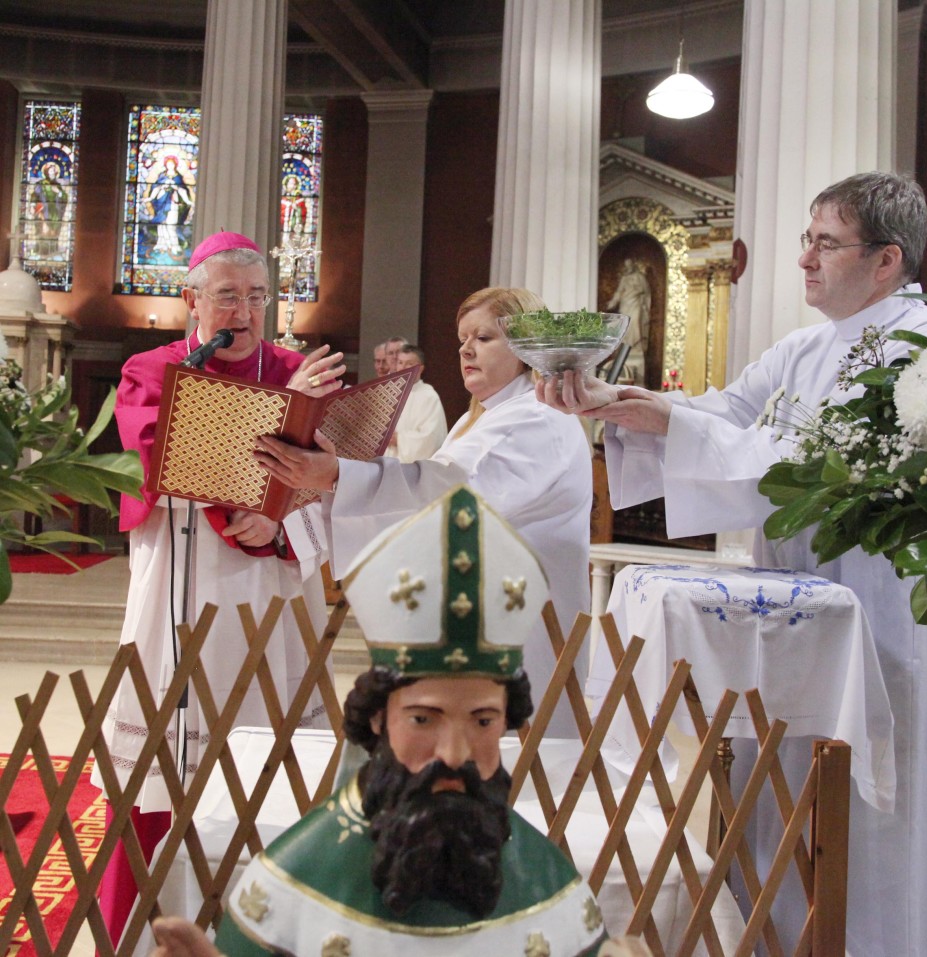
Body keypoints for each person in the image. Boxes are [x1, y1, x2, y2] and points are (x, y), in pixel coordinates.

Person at [537, 171, 927, 957]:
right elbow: (724, 416)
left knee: (873, 807)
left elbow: (817, 459)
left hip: (885, 613)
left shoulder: (926, 349)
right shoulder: (802, 347)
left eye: (826, 242)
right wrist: (616, 403)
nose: (804, 258)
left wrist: (669, 417)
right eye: (806, 239)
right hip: (795, 596)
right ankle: (770, 939)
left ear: (887, 260)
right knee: (779, 781)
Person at [154, 486, 609, 956]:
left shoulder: (554, 896)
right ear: (378, 720)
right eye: (423, 719)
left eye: (483, 722)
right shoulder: (289, 893)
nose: (454, 753)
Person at [95, 231, 347, 945]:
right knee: (157, 779)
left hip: (273, 595)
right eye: (229, 294)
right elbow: (163, 462)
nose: (245, 309)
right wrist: (276, 429)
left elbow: (340, 488)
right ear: (192, 300)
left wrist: (284, 521)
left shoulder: (296, 369)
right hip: (180, 592)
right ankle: (144, 939)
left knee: (274, 780)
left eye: (258, 296)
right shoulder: (153, 368)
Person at [254, 287, 593, 734]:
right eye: (461, 340)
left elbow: (453, 491)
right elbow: (425, 499)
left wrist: (339, 476)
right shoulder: (484, 417)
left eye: (484, 338)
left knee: (515, 765)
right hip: (479, 614)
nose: (466, 350)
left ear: (526, 347)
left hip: (520, 620)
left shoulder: (537, 417)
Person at [384, 344, 448, 462]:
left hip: (410, 468)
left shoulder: (429, 396)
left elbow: (432, 439)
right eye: (400, 363)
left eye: (409, 363)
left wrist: (399, 439)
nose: (403, 368)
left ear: (420, 368)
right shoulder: (389, 392)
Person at [605, 258, 651, 385]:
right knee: (625, 327)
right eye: (626, 265)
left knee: (635, 325)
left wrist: (641, 297)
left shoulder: (640, 277)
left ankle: (635, 347)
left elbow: (646, 292)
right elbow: (619, 293)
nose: (628, 267)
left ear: (633, 266)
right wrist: (612, 303)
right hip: (626, 305)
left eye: (630, 265)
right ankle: (625, 347)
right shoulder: (624, 279)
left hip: (636, 304)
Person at [145, 156, 193, 259]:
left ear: (175, 165)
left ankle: (174, 245)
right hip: (162, 204)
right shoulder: (162, 176)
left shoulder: (178, 177)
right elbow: (155, 188)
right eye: (168, 164)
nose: (170, 165)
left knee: (171, 226)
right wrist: (162, 187)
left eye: (172, 164)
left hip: (173, 204)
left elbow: (183, 190)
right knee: (161, 225)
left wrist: (175, 187)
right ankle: (161, 244)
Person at [31, 161, 68, 256]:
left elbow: (64, 197)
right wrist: (32, 206)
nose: (53, 172)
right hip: (44, 210)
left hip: (55, 212)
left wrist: (59, 192)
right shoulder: (41, 184)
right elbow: (35, 195)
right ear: (47, 172)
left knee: (54, 231)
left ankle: (53, 251)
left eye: (54, 171)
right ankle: (41, 251)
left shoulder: (57, 185)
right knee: (43, 230)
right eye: (51, 171)